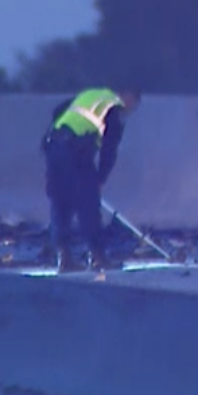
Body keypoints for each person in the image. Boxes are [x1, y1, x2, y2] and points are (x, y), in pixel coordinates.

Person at [42, 86, 140, 271]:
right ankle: (98, 257)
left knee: (61, 201)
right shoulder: (113, 110)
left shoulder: (91, 95)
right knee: (88, 204)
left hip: (52, 145)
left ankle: (64, 257)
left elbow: (58, 111)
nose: (130, 110)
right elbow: (108, 151)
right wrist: (100, 180)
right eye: (133, 106)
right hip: (75, 151)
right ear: (128, 97)